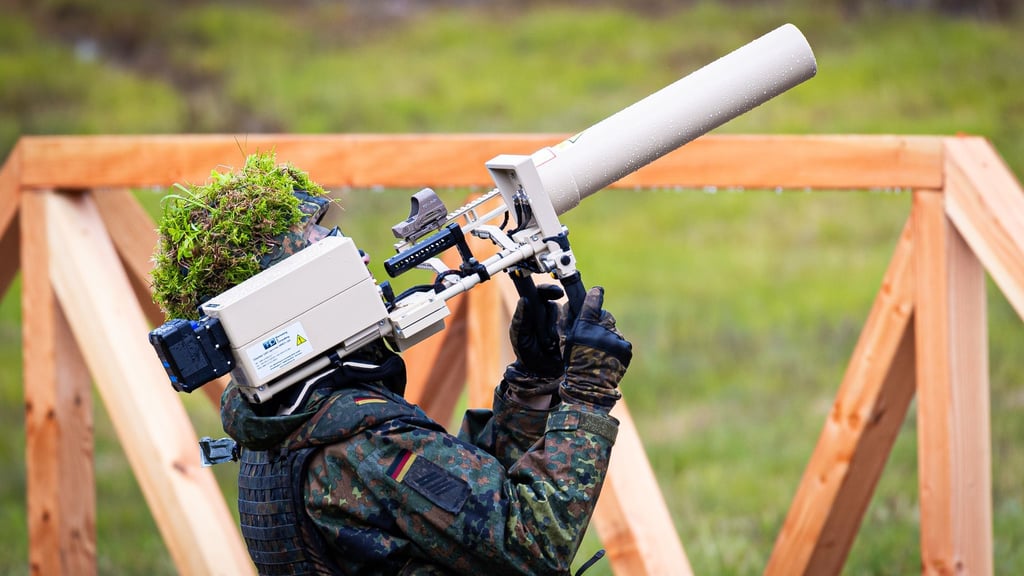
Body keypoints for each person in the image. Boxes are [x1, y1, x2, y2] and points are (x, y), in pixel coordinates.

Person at [151, 152, 632, 575]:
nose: (360, 256)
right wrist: (586, 395)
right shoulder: (362, 449)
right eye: (330, 249)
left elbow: (470, 519)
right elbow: (532, 546)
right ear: (284, 302)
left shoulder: (282, 420)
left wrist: (534, 382)